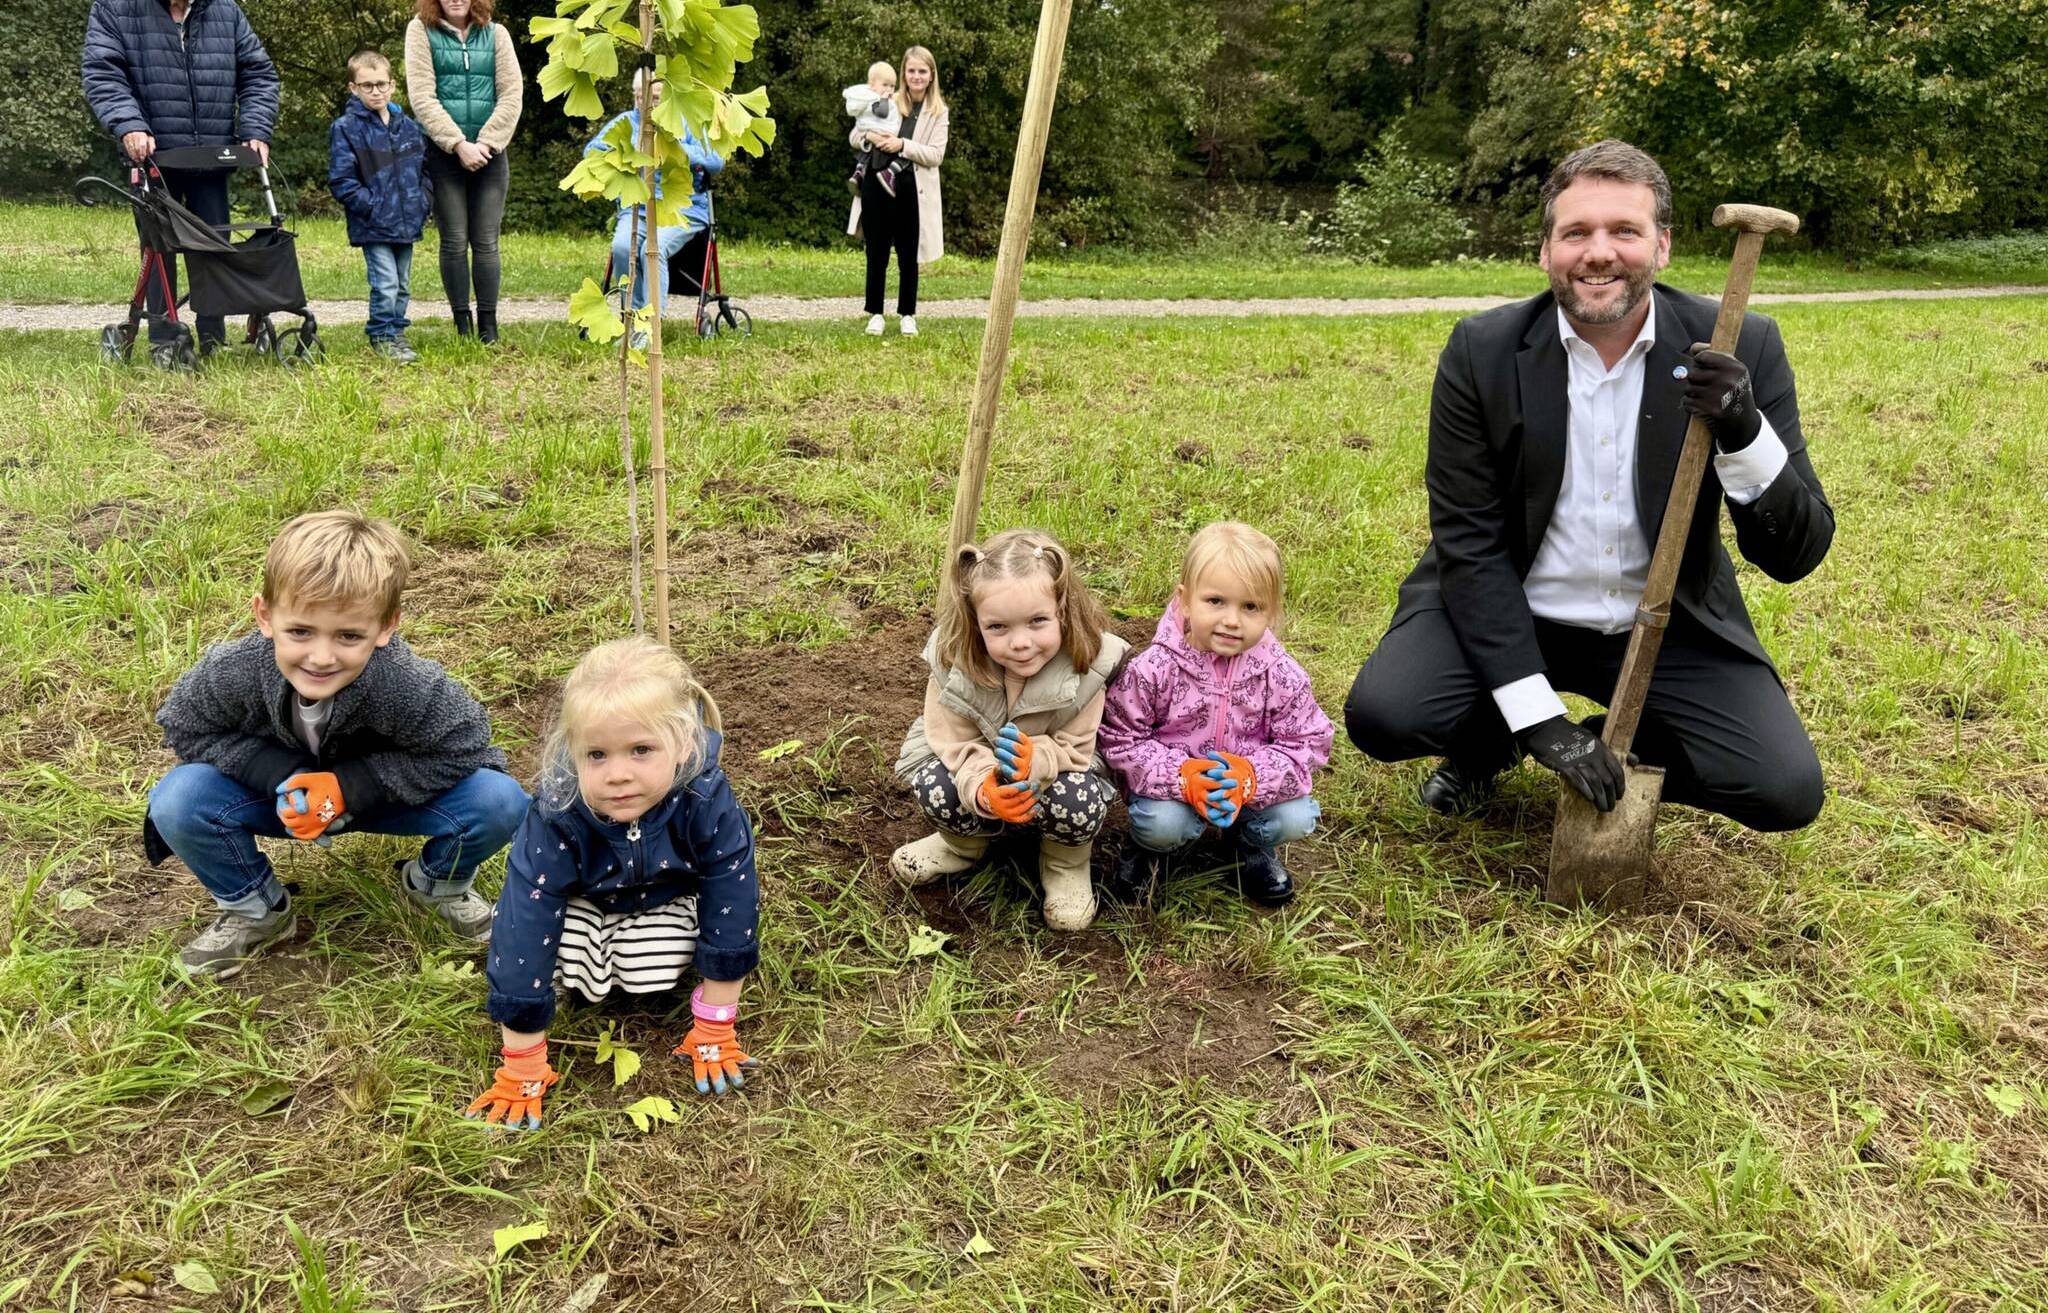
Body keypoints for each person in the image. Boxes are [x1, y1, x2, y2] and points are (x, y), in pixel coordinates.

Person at [1344, 139, 1833, 834]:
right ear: (1545, 252)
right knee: (1388, 713)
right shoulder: (1481, 352)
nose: (1598, 252)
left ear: (1662, 246)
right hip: (1513, 606)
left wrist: (1745, 429)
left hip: (1664, 623)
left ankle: (1618, 738)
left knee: (1784, 787)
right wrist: (1539, 720)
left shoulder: (1741, 345)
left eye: (1624, 231)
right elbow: (1470, 544)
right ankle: (1491, 743)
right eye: (1576, 232)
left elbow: (1796, 552)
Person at [145, 512, 531, 977]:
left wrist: (350, 786)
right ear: (265, 616)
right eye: (301, 631)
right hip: (278, 798)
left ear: (386, 626)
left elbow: (466, 747)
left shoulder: (408, 683)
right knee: (178, 798)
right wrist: (277, 774)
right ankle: (256, 909)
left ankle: (437, 886)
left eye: (349, 636)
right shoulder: (233, 669)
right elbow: (184, 723)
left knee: (500, 799)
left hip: (383, 801)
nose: (322, 657)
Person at [464, 637, 761, 1130]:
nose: (617, 775)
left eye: (641, 750)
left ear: (683, 743)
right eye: (597, 755)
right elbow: (525, 916)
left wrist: (716, 1024)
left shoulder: (706, 798)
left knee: (658, 965)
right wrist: (522, 1061)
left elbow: (732, 893)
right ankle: (566, 984)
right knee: (537, 942)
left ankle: (646, 972)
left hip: (668, 902)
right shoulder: (557, 813)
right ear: (573, 752)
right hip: (587, 906)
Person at [888, 530, 1131, 932]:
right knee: (935, 784)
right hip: (976, 771)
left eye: (1038, 621)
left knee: (1079, 799)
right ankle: (963, 845)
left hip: (1055, 777)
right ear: (975, 622)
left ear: (1063, 611)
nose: (1020, 643)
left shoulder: (1088, 666)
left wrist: (1036, 759)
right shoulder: (954, 660)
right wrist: (983, 789)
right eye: (998, 627)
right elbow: (955, 742)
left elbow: (1078, 749)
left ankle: (1064, 864)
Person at [1100, 523, 1334, 908]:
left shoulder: (1280, 674)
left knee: (1295, 815)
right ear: (1185, 601)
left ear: (1271, 613)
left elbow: (1308, 742)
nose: (1231, 620)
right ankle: (1149, 850)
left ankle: (1247, 846)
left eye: (1251, 607)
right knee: (1163, 825)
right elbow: (1120, 738)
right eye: (1215, 602)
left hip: (1247, 791)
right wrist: (1183, 777)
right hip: (1174, 793)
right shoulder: (1154, 668)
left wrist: (1250, 777)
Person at [80, 0, 280, 367]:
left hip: (212, 155)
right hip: (153, 153)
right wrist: (129, 123)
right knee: (160, 248)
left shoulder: (226, 11)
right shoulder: (115, 8)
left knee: (214, 242)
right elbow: (103, 73)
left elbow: (258, 75)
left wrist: (255, 130)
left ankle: (213, 335)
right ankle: (165, 337)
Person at [404, 0, 522, 343]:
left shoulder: (497, 34)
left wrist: (485, 143)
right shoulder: (420, 31)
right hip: (443, 154)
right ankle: (462, 324)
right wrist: (457, 143)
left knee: (486, 241)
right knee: (454, 241)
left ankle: (489, 326)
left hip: (490, 153)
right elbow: (422, 96)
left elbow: (512, 94)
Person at [584, 70, 724, 347]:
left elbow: (716, 162)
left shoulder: (689, 123)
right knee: (623, 247)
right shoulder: (626, 123)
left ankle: (650, 329)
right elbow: (591, 152)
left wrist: (683, 151)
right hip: (636, 208)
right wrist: (622, 154)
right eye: (640, 97)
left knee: (653, 248)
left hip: (683, 208)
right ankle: (633, 320)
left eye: (655, 98)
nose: (647, 103)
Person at [328, 50, 431, 363]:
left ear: (393, 85)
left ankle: (397, 332)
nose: (375, 91)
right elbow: (342, 180)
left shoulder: (410, 127)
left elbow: (425, 170)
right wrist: (370, 206)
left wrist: (423, 200)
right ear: (353, 88)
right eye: (367, 85)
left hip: (407, 219)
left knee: (402, 285)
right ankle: (382, 335)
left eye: (381, 84)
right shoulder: (346, 128)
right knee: (384, 283)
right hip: (373, 223)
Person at [846, 44, 948, 338]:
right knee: (876, 250)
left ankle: (907, 314)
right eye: (911, 70)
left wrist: (902, 145)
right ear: (904, 73)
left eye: (922, 71)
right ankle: (875, 312)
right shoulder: (887, 99)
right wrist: (871, 139)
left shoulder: (938, 112)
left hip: (912, 189)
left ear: (931, 76)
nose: (916, 76)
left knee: (908, 254)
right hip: (877, 182)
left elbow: (935, 155)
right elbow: (856, 132)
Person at [842, 61, 906, 198]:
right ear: (872, 85)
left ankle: (859, 171)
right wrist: (884, 100)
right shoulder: (874, 99)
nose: (889, 90)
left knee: (867, 154)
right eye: (885, 85)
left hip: (874, 141)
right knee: (894, 156)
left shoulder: (884, 98)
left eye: (892, 86)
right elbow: (882, 113)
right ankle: (871, 172)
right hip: (878, 138)